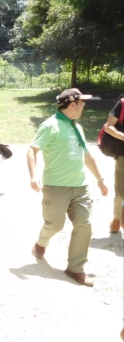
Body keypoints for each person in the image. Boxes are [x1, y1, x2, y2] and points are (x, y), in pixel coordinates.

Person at [27, 88, 108, 286]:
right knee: (55, 225)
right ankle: (40, 243)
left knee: (84, 225)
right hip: (56, 186)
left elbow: (86, 155)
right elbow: (32, 150)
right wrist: (33, 175)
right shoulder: (50, 125)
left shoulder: (76, 127)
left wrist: (99, 178)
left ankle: (75, 268)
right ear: (72, 104)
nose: (83, 106)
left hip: (80, 186)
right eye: (81, 103)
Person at [103, 95, 124, 233]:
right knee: (121, 192)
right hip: (123, 154)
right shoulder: (122, 104)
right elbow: (108, 127)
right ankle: (117, 218)